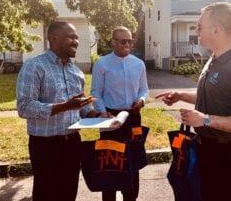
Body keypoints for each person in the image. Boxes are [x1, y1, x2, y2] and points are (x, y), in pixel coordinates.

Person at [156, 2, 231, 201]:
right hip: (206, 149)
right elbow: (214, 97)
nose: (196, 31)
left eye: (200, 27)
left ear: (217, 29)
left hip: (225, 156)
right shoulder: (214, 59)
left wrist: (205, 120)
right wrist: (181, 95)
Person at [17, 21, 99, 201]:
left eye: (77, 37)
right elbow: (24, 107)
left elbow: (82, 107)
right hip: (46, 146)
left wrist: (98, 116)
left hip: (73, 144)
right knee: (46, 194)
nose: (76, 41)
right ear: (54, 38)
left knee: (69, 193)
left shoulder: (76, 71)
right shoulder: (34, 66)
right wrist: (65, 106)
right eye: (71, 36)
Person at [91, 26, 149, 201]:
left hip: (133, 116)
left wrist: (141, 101)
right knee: (110, 162)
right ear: (113, 42)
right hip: (110, 118)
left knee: (133, 159)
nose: (128, 44)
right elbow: (95, 92)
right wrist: (102, 113)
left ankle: (131, 197)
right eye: (123, 41)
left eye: (130, 41)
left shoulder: (139, 64)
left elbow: (144, 89)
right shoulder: (102, 63)